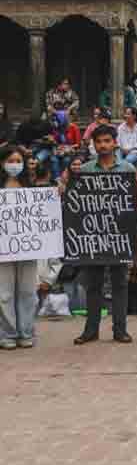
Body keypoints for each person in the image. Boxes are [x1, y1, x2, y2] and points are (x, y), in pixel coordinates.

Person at [70, 124, 136, 345]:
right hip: (94, 236)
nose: (103, 145)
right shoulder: (85, 170)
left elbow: (135, 204)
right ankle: (91, 330)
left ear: (115, 143)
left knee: (120, 285)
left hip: (119, 235)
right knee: (94, 285)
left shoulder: (128, 169)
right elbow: (76, 205)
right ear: (94, 144)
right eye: (99, 142)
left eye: (107, 141)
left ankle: (120, 330)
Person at [0, 145, 41, 349]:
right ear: (2, 163)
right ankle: (7, 334)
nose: (14, 165)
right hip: (3, 248)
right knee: (4, 294)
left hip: (28, 247)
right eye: (10, 161)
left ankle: (26, 332)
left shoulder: (31, 188)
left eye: (18, 161)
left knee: (27, 292)